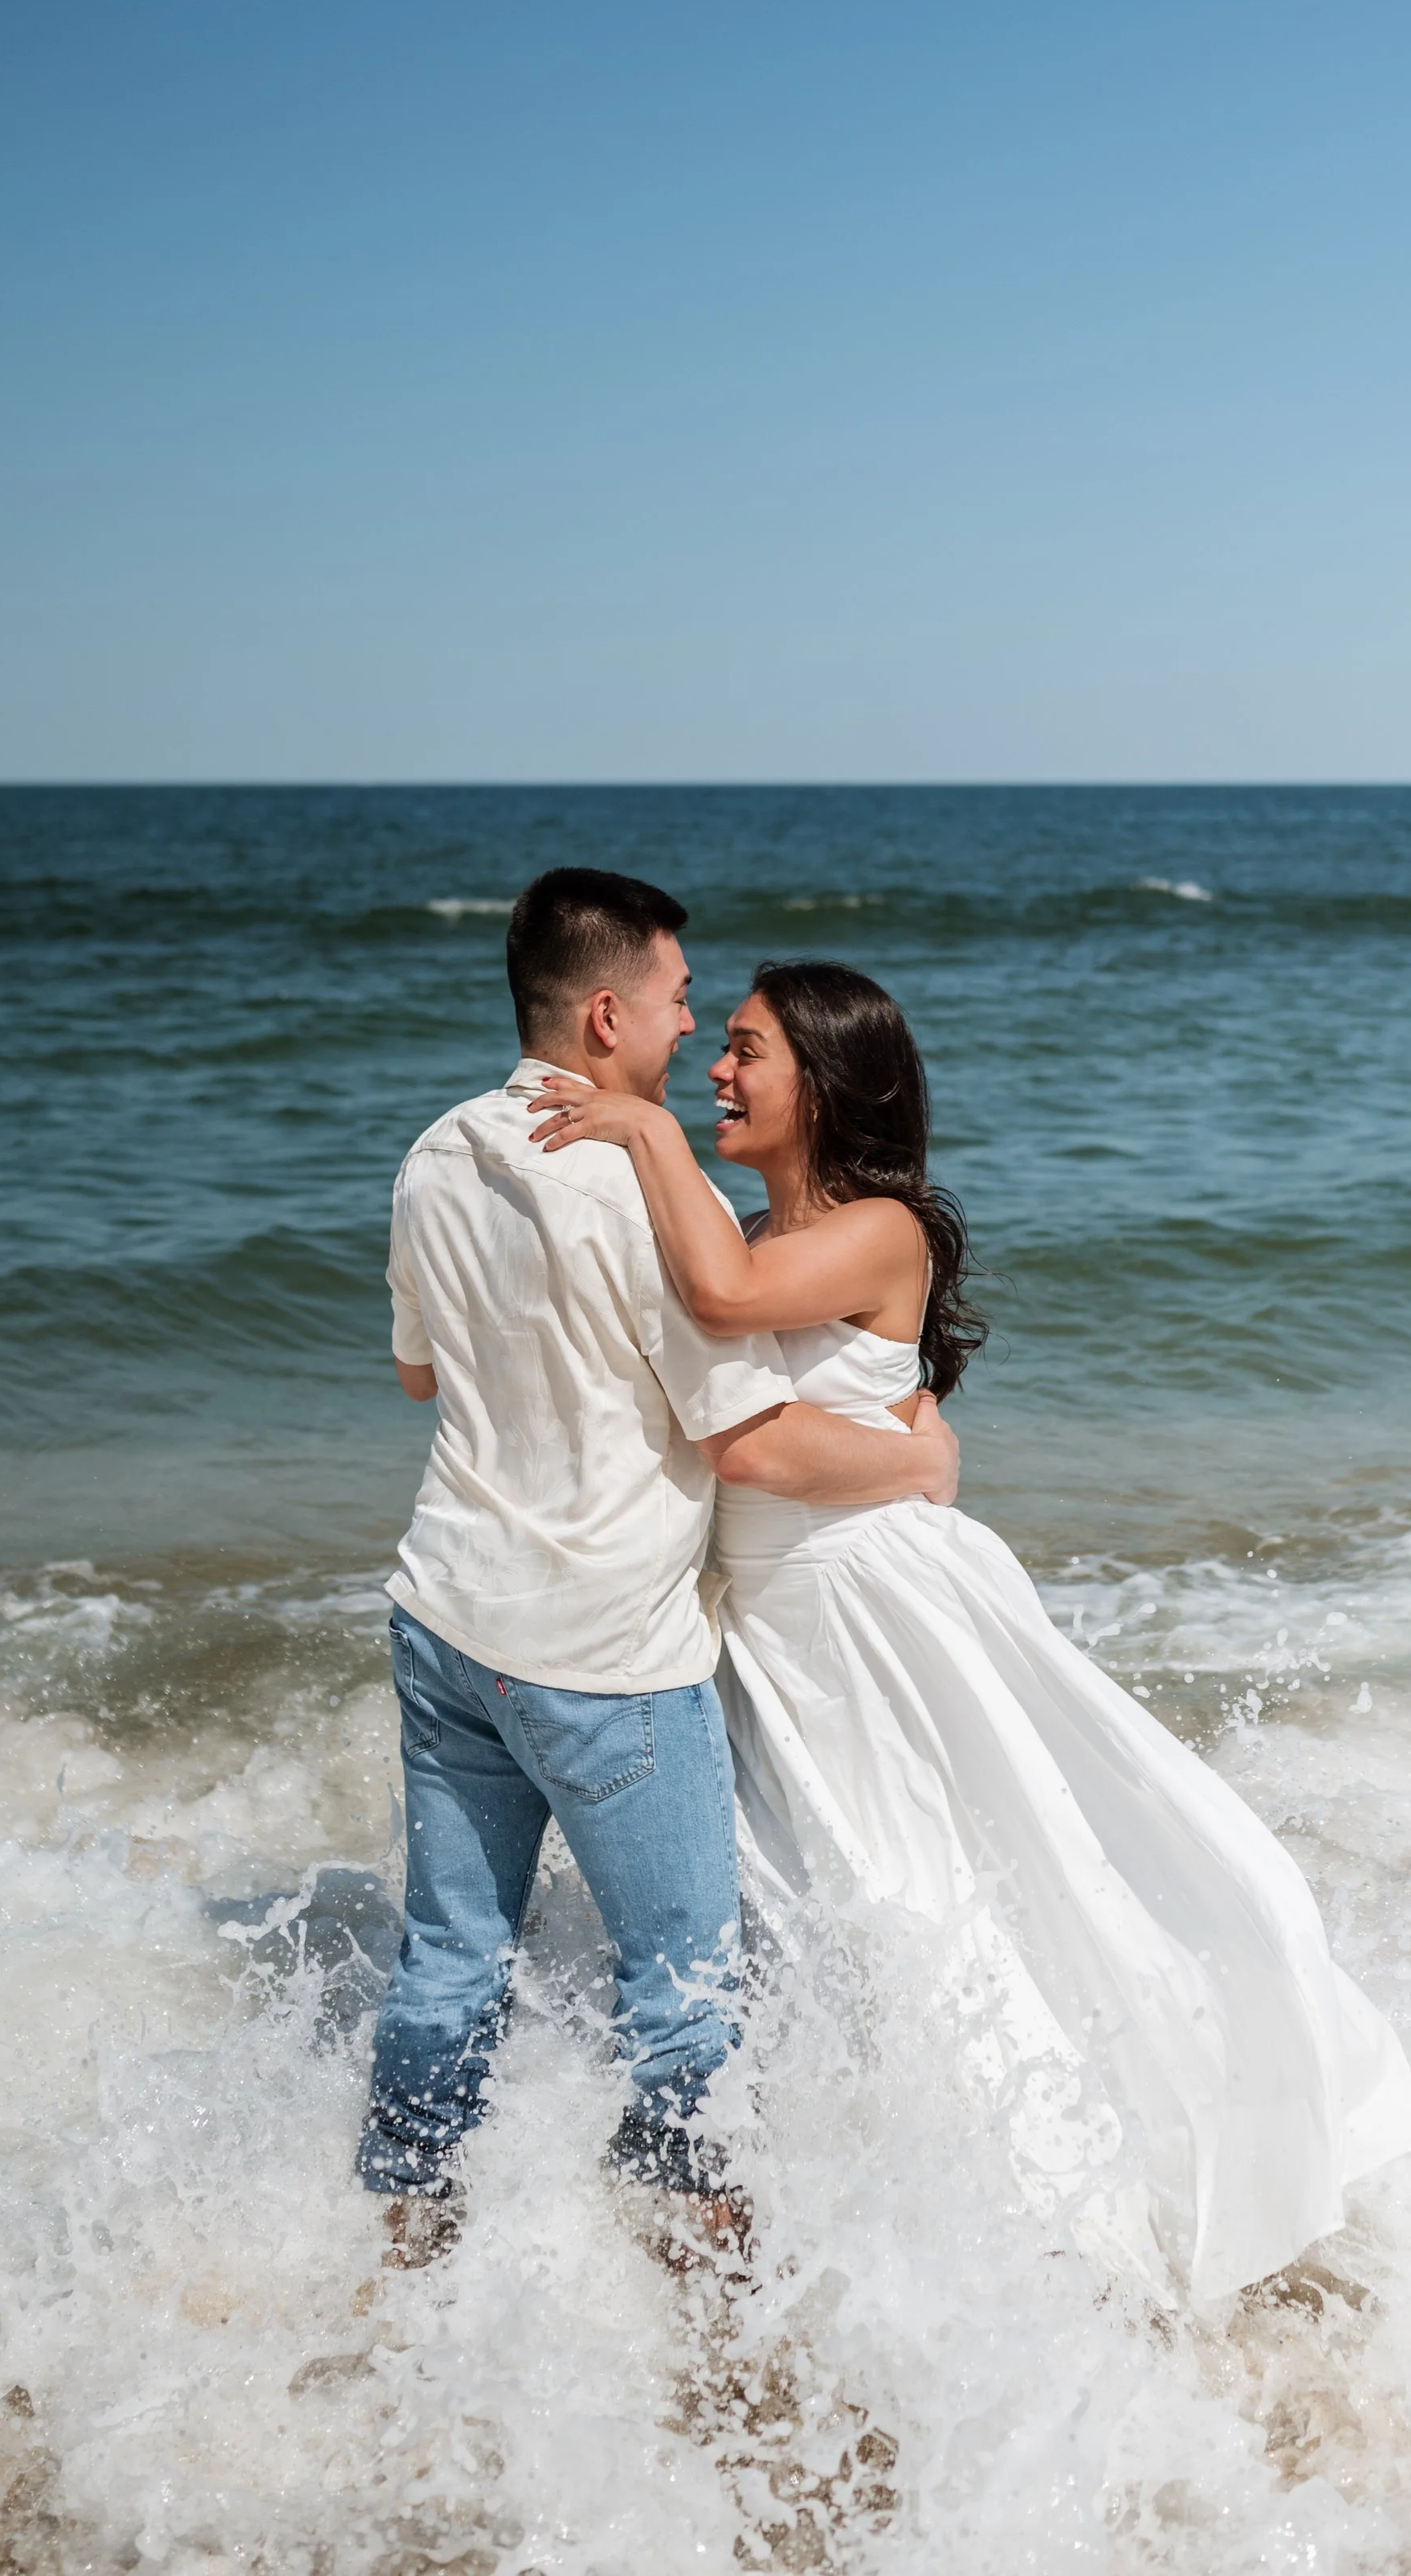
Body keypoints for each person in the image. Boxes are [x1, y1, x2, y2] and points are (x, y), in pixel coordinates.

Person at [529, 958, 1411, 2304]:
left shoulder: (883, 1229)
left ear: (826, 1084)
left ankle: (1071, 2217)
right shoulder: (750, 1233)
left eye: (749, 1050)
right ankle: (829, 2217)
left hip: (871, 1618)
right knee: (815, 1912)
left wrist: (646, 1127)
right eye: (716, 1050)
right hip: (767, 1632)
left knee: (948, 1895)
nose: (718, 1072)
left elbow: (728, 1343)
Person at [368, 876, 957, 2258]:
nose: (694, 1033)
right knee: (684, 1987)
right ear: (606, 1010)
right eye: (685, 1003)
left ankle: (402, 2232)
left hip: (444, 1615)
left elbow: (414, 1373)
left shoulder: (434, 1152)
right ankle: (700, 2275)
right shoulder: (650, 1192)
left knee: (450, 1957)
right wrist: (922, 1463)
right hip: (603, 1653)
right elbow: (747, 1438)